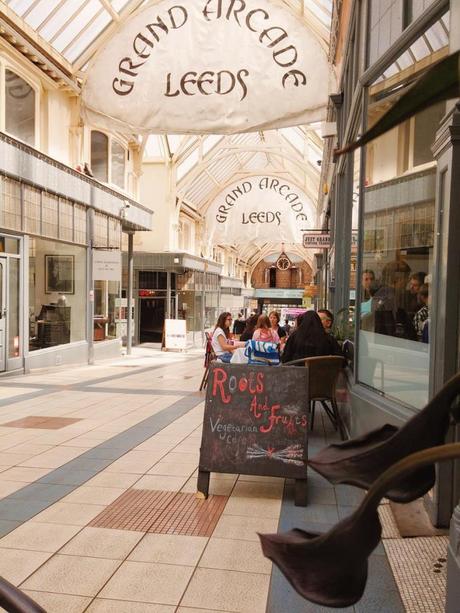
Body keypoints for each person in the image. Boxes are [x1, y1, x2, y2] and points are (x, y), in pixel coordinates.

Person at [371, 260, 416, 340]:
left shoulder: (384, 295)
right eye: (406, 278)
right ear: (397, 279)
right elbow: (390, 331)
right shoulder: (388, 298)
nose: (407, 282)